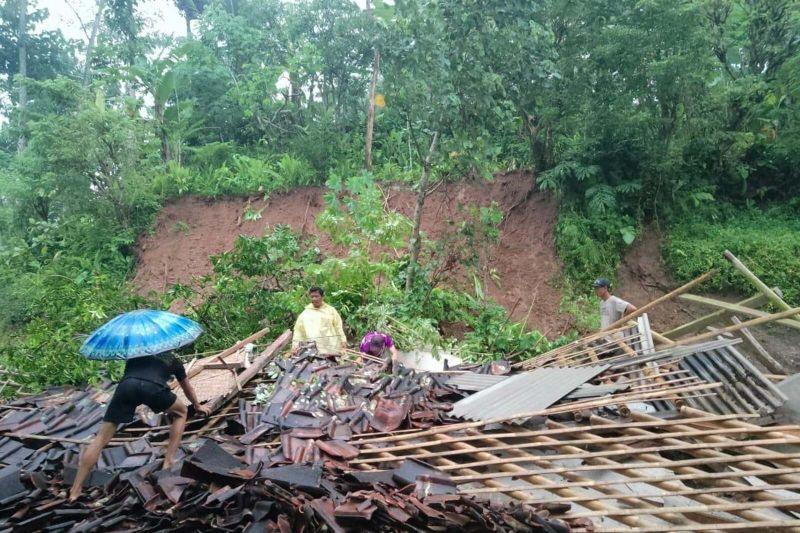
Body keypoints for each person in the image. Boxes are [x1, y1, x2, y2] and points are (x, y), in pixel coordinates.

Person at [69, 352, 209, 502]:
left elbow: (135, 376)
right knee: (181, 412)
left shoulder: (135, 354)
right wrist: (197, 405)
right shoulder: (173, 359)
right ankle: (169, 461)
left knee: (101, 438)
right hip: (152, 387)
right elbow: (187, 388)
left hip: (126, 387)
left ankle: (75, 490)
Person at [292, 286, 347, 355]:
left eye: (316, 296)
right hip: (313, 349)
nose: (314, 299)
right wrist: (295, 346)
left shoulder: (331, 310)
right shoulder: (305, 314)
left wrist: (343, 340)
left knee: (334, 363)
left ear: (322, 297)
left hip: (331, 346)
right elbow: (298, 332)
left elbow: (338, 326)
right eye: (312, 297)